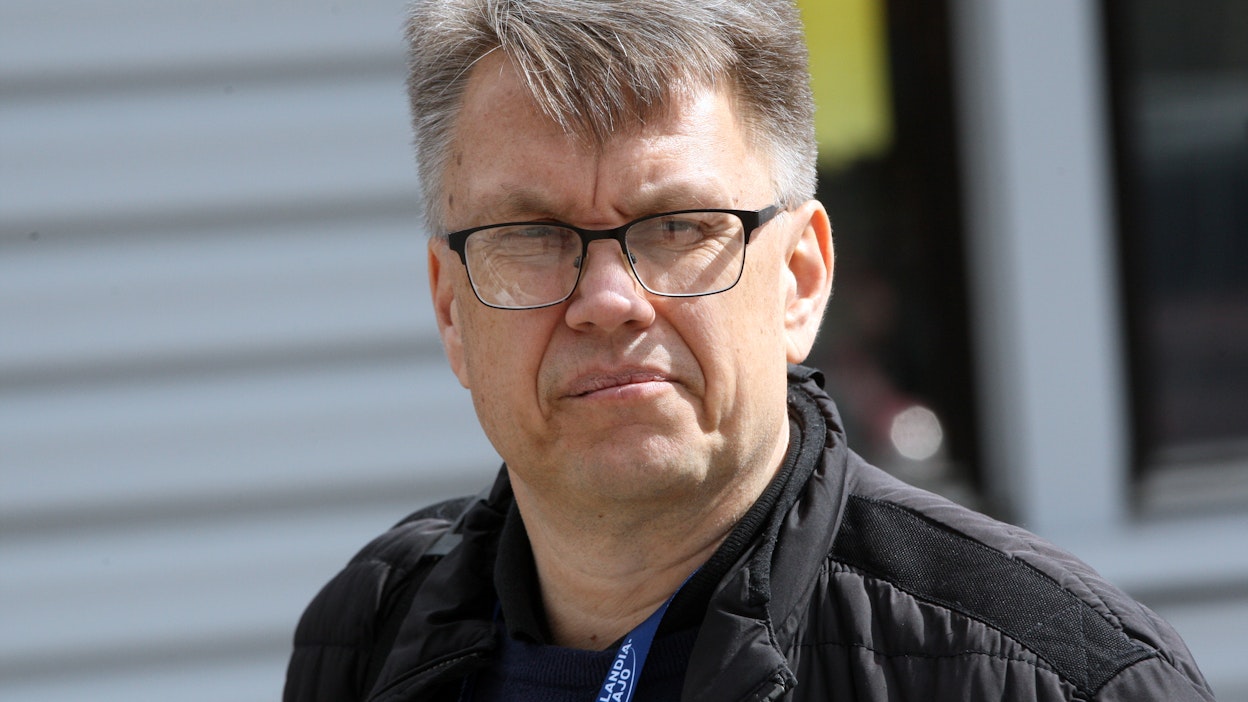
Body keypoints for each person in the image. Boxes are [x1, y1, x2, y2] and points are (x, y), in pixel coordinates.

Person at [284, 1, 1214, 700]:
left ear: (800, 280)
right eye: (530, 234)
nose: (607, 302)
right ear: (451, 310)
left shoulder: (1055, 678)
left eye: (678, 226)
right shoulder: (366, 635)